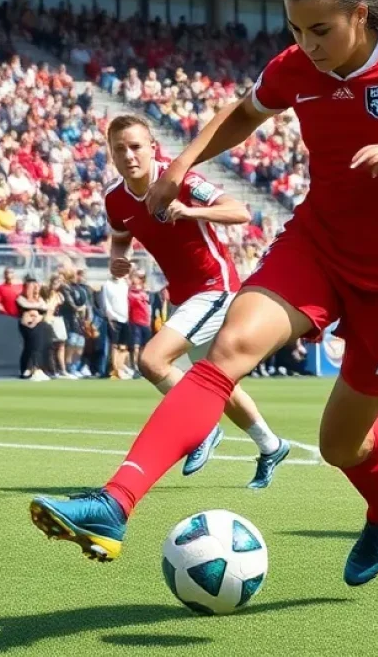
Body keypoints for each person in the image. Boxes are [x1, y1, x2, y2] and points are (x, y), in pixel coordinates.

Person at [30, 0, 378, 582]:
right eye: (297, 29)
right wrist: (181, 161)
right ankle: (115, 501)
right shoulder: (295, 66)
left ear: (360, 14)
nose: (307, 45)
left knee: (340, 446)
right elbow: (245, 113)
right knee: (225, 356)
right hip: (315, 244)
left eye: (321, 29)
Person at [99, 113, 288, 486]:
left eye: (136, 146)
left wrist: (190, 210)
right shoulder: (115, 199)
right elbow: (121, 235)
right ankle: (271, 445)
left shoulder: (179, 180)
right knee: (219, 383)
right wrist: (118, 258)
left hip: (216, 287)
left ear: (153, 148)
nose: (129, 155)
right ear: (112, 155)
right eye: (120, 149)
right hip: (185, 297)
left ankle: (201, 429)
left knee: (152, 361)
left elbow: (240, 211)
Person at [17, 276, 50, 381]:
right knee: (30, 346)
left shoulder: (39, 299)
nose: (34, 289)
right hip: (27, 325)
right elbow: (25, 306)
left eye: (35, 286)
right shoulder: (20, 298)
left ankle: (36, 368)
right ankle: (26, 369)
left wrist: (37, 316)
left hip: (38, 324)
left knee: (37, 347)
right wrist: (36, 309)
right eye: (31, 287)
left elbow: (45, 308)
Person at [101, 271, 131, 379]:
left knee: (123, 346)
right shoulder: (107, 285)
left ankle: (120, 367)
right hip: (114, 318)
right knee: (114, 345)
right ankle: (115, 369)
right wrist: (110, 318)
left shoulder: (125, 284)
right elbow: (106, 303)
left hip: (125, 318)